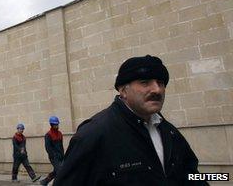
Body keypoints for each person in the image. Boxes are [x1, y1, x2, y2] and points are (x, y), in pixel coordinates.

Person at [53, 55, 207, 186]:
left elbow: (191, 175)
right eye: (145, 82)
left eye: (160, 83)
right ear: (123, 91)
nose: (157, 90)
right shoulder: (94, 134)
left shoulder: (170, 133)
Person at [40, 116, 64, 185]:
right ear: (51, 125)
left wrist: (63, 155)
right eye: (55, 124)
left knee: (57, 171)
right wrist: (53, 156)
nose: (56, 126)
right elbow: (48, 147)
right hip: (54, 157)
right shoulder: (48, 135)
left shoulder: (60, 134)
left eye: (57, 124)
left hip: (61, 155)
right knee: (60, 171)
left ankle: (44, 181)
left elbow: (61, 146)